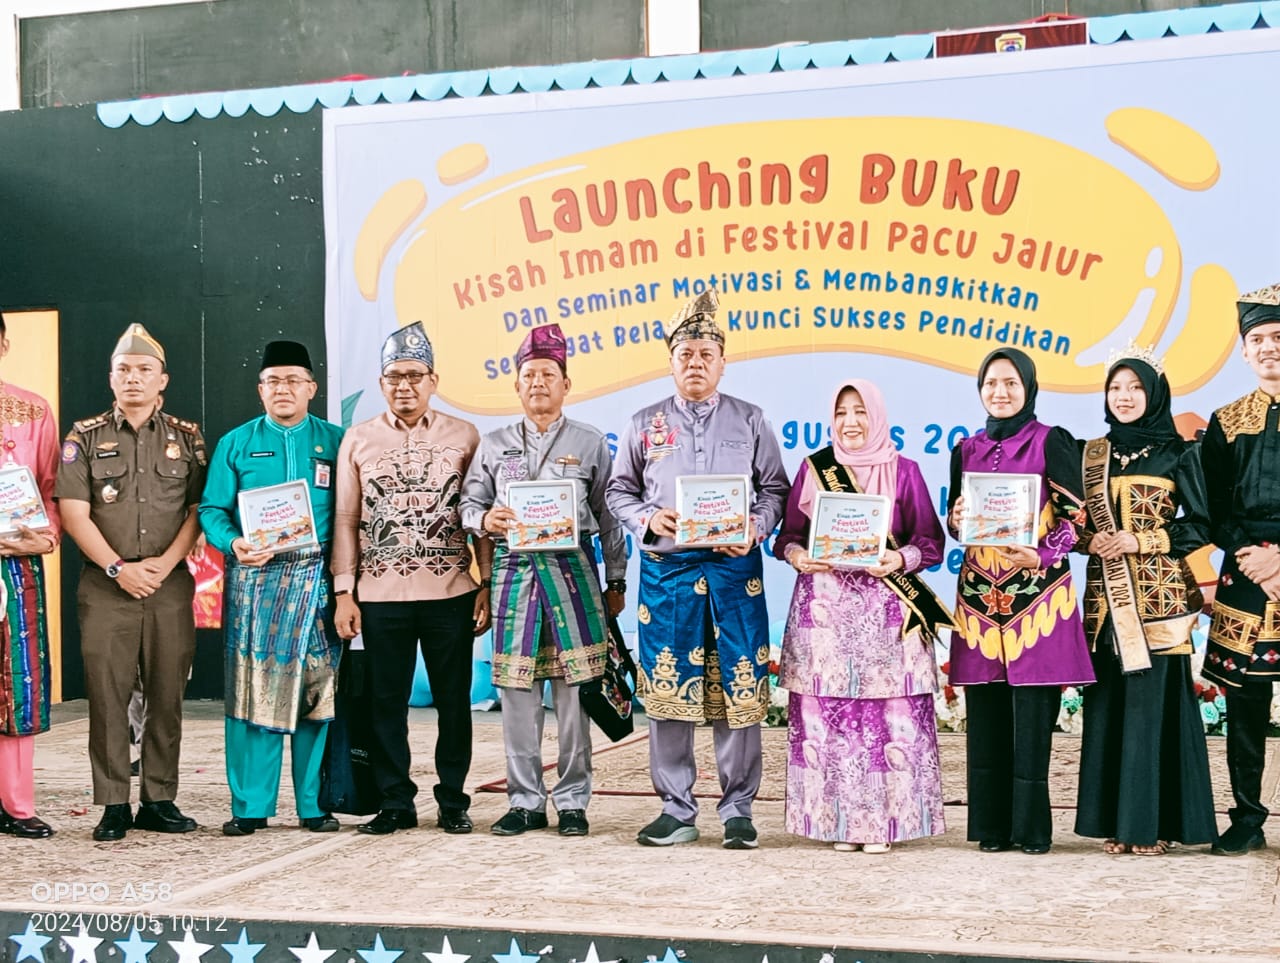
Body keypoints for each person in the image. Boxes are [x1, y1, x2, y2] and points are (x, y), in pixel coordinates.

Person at [606, 289, 790, 849]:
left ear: (722, 362)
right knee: (669, 689)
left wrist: (756, 526)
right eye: (685, 354)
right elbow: (618, 491)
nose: (695, 363)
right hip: (668, 575)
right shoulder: (644, 422)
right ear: (671, 361)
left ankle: (738, 810)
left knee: (738, 689)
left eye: (706, 354)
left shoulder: (751, 419)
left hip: (735, 575)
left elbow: (775, 490)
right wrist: (648, 519)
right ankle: (676, 810)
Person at [460, 323, 626, 838]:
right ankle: (525, 800)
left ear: (565, 384)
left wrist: (616, 579)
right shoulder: (493, 445)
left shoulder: (590, 442)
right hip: (514, 578)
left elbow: (611, 515)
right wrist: (485, 521)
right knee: (517, 694)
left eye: (547, 374)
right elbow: (469, 503)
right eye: (528, 374)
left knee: (575, 695)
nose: (538, 383)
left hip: (574, 576)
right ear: (516, 385)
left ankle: (574, 800)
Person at [774, 379, 952, 854]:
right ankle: (835, 824)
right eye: (842, 413)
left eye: (860, 412)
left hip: (887, 617)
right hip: (827, 618)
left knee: (889, 720)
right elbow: (786, 536)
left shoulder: (905, 471)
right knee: (829, 720)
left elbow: (931, 541)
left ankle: (886, 825)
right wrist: (796, 555)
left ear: (877, 416)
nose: (851, 422)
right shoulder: (815, 470)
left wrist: (901, 559)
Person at [331, 322, 492, 836]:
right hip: (379, 597)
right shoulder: (358, 439)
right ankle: (396, 801)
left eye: (414, 375)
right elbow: (345, 520)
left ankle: (452, 800)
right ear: (381, 383)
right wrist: (344, 591)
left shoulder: (464, 436)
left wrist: (485, 582)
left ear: (433, 379)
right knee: (385, 705)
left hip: (451, 593)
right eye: (394, 376)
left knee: (453, 704)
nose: (405, 386)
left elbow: (481, 513)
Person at [55, 323, 207, 841]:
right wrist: (120, 568)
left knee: (167, 695)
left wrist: (164, 565)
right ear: (111, 378)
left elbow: (197, 510)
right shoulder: (83, 436)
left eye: (144, 370)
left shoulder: (187, 438)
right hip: (105, 586)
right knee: (107, 695)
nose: (134, 379)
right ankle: (114, 802)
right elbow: (75, 515)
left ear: (162, 380)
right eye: (124, 370)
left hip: (168, 582)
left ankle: (159, 798)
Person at [947, 347, 1093, 855]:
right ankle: (991, 827)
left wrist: (1042, 555)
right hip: (981, 600)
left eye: (1011, 383)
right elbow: (954, 522)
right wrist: (958, 515)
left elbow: (1078, 522)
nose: (1000, 392)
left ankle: (1031, 830)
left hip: (1037, 598)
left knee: (1032, 719)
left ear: (1028, 387)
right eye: (991, 383)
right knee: (985, 718)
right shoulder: (966, 448)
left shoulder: (1051, 441)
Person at [199, 340, 345, 836]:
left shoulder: (337, 442)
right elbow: (211, 511)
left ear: (312, 388)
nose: (283, 389)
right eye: (273, 381)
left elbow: (350, 515)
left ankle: (313, 805)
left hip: (316, 580)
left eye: (293, 381)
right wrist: (235, 543)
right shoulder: (235, 443)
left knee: (315, 692)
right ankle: (250, 807)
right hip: (255, 580)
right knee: (253, 690)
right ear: (260, 390)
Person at [1073, 348, 1215, 856]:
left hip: (1160, 602)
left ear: (1153, 393)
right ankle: (1117, 822)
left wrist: (1141, 541)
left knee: (1154, 712)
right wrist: (1089, 540)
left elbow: (1200, 525)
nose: (1125, 397)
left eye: (1135, 388)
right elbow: (1070, 526)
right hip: (1105, 604)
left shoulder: (1181, 453)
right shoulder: (1089, 454)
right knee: (1110, 708)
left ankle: (1153, 824)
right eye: (1116, 388)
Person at [1200, 283, 1280, 856]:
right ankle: (1248, 819)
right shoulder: (1227, 420)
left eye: (1279, 337)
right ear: (1244, 353)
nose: (1269, 348)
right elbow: (1210, 506)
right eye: (1258, 340)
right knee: (1244, 706)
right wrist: (1256, 559)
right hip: (1245, 575)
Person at [0, 312, 61, 839]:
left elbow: (49, 488)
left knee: (18, 679)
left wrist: (45, 535)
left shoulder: (33, 409)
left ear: (4, 343)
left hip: (16, 562)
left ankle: (16, 803)